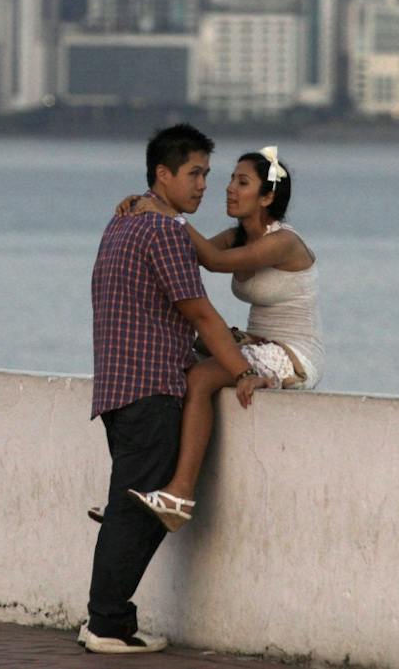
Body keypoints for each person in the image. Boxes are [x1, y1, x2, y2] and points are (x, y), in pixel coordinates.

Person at [79, 123, 258, 656]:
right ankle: (107, 626)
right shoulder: (163, 232)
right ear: (163, 174)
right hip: (151, 389)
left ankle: (109, 619)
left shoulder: (123, 223)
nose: (204, 184)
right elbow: (200, 312)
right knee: (139, 513)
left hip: (117, 388)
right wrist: (244, 370)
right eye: (194, 173)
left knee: (127, 510)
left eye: (207, 173)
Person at [113, 146, 320, 532]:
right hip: (255, 342)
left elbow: (213, 259)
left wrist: (169, 213)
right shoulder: (237, 234)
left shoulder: (284, 242)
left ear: (267, 197)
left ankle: (179, 495)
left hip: (293, 356)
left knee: (202, 377)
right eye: (230, 179)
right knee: (173, 352)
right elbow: (186, 253)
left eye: (242, 182)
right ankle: (140, 487)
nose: (227, 188)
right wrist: (142, 211)